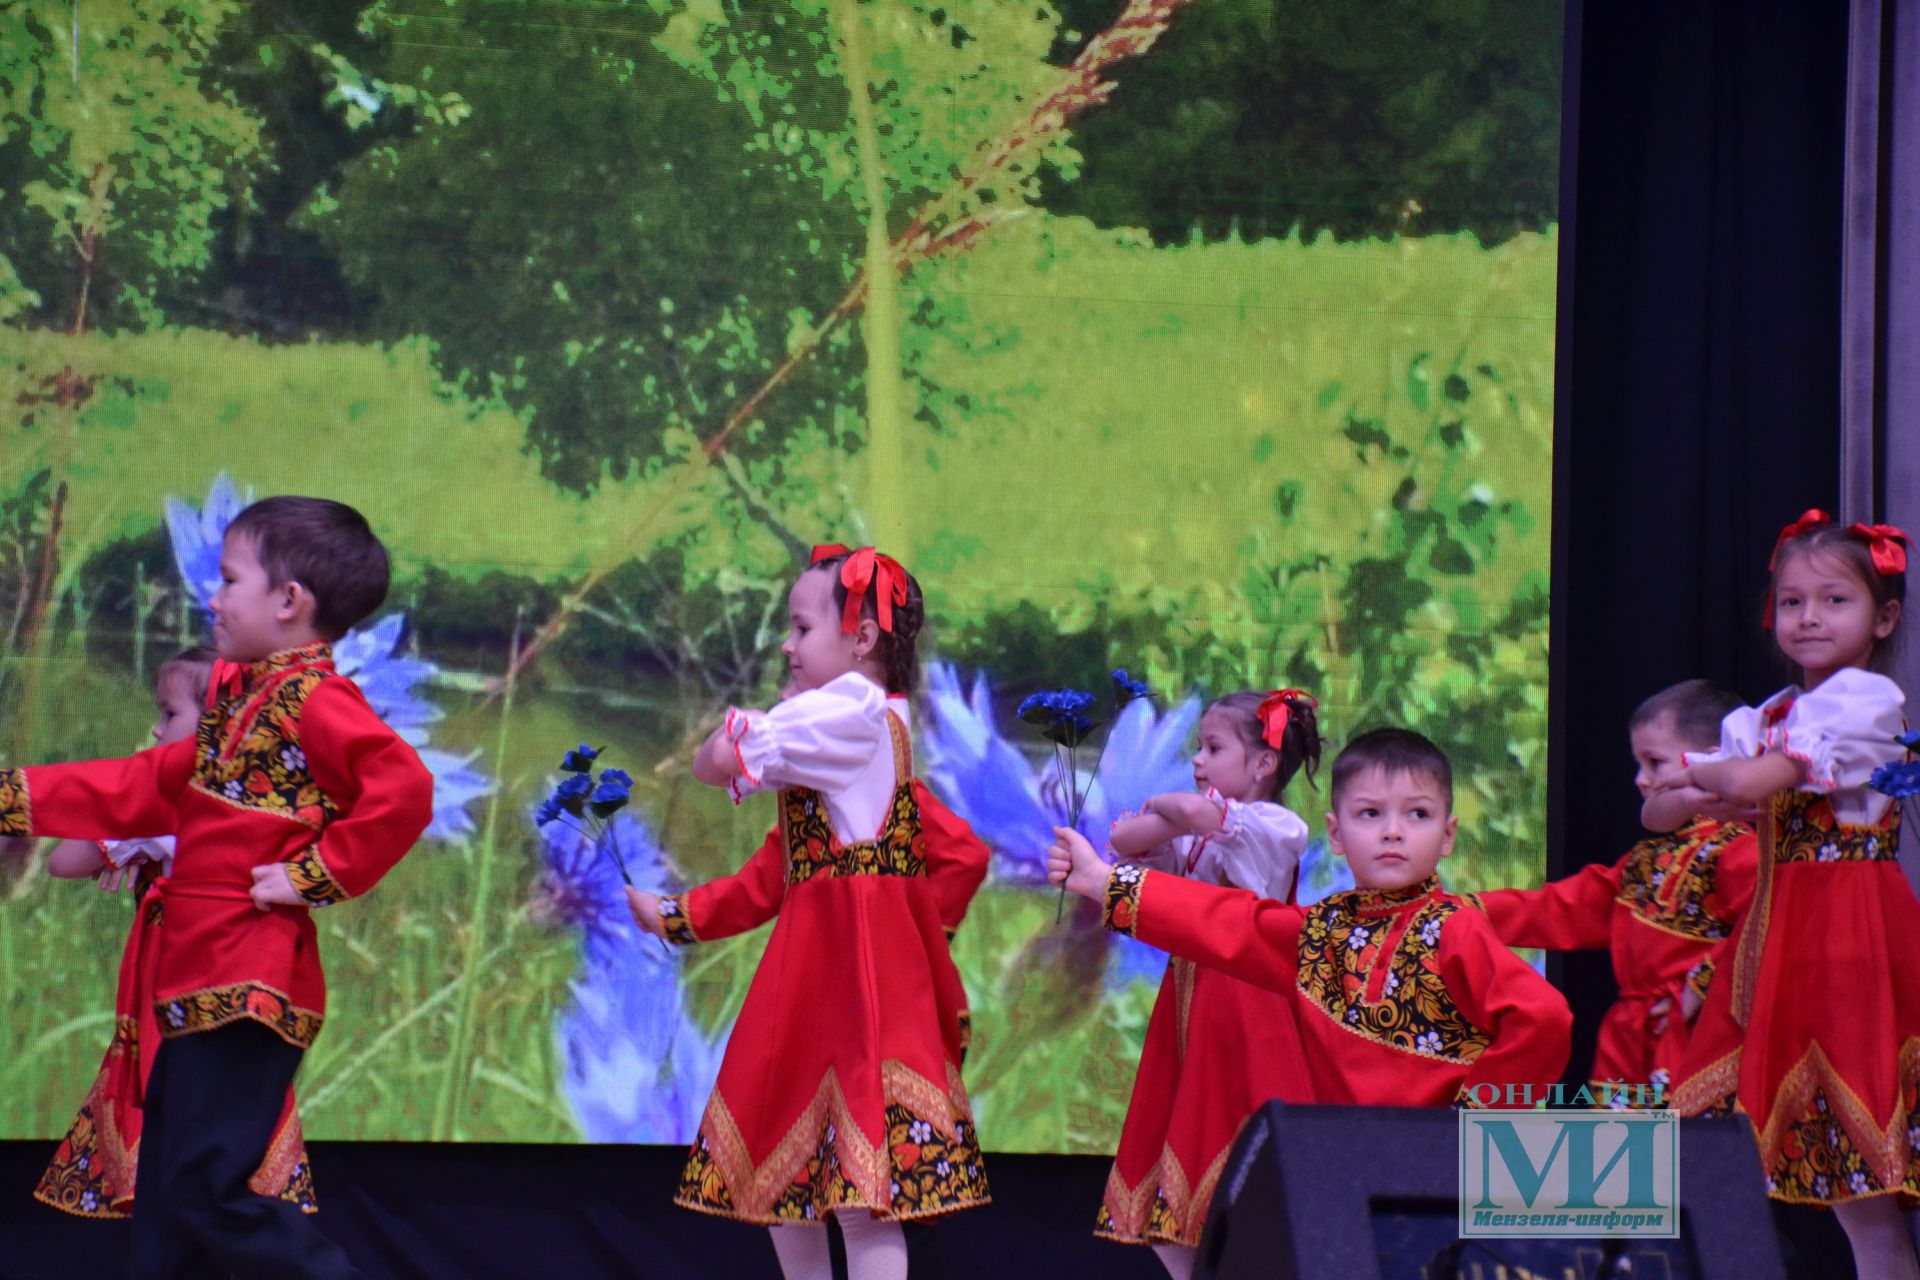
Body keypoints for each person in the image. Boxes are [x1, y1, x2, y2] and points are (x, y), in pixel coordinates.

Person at [0, 496, 434, 1279]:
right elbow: (142, 782)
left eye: (230, 579)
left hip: (249, 982)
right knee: (170, 1194)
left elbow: (403, 790)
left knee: (202, 1191)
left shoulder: (316, 702)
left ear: (289, 601)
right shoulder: (245, 702)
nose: (214, 596)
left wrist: (315, 874)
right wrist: (14, 795)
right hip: (200, 979)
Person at [627, 545, 991, 1280]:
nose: (787, 647)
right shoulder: (837, 739)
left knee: (862, 1193)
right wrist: (675, 914)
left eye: (800, 629)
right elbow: (772, 872)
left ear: (862, 640)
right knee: (788, 1175)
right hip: (820, 973)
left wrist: (740, 737)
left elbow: (721, 758)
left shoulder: (851, 712)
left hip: (852, 977)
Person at [1048, 727, 1571, 1109]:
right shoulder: (1321, 932)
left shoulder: (1455, 929)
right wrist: (1102, 881)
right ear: (1336, 835)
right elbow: (1225, 922)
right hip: (1341, 1169)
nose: (1393, 831)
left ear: (1448, 835)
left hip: (1435, 1176)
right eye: (1370, 813)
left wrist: (1477, 1122)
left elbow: (1542, 1019)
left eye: (1417, 814)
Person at [1663, 512, 1918, 1280]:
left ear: (1884, 617)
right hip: (1783, 947)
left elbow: (1741, 783)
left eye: (1833, 601)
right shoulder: (1770, 716)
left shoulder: (1865, 703)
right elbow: (1660, 808)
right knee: (1850, 1202)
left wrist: (1706, 780)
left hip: (1849, 941)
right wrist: (1700, 784)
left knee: (1869, 1185)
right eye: (1792, 601)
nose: (1808, 618)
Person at [1095, 689, 1320, 1280]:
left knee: (1238, 1160)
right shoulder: (1206, 829)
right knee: (1170, 1200)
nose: (1197, 760)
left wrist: (1167, 803)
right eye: (1197, 747)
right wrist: (1167, 813)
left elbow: (1193, 815)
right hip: (1193, 1000)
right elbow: (1125, 843)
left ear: (1264, 765)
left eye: (1213, 748)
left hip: (1248, 1004)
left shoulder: (1274, 826)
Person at [1474, 679, 1756, 1104]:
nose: (1641, 780)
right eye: (1638, 764)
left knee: (1688, 1161)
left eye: (1654, 763)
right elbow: (1562, 908)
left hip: (1693, 1040)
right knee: (1622, 1163)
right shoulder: (1646, 860)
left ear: (1711, 762)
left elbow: (1765, 927)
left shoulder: (1738, 849)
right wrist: (1455, 913)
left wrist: (1698, 990)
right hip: (1628, 1039)